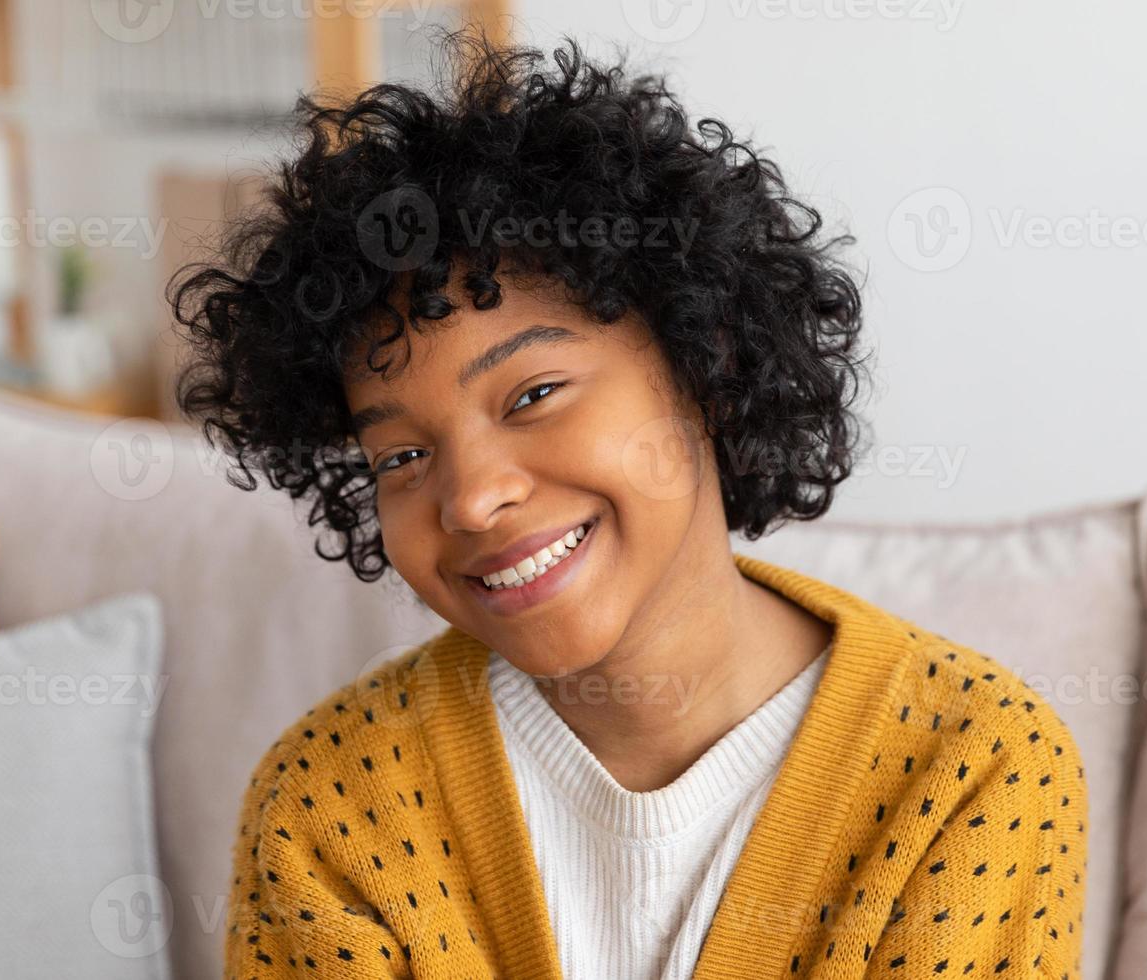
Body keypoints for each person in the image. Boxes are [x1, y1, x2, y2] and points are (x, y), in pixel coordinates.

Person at [171, 27, 1087, 980]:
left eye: (532, 396)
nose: (475, 499)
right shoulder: (330, 806)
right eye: (401, 453)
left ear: (709, 365)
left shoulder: (974, 772)